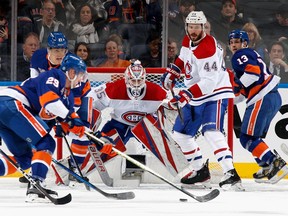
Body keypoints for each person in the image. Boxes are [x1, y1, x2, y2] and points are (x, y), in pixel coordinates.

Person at [0, 54, 114, 203]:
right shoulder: (55, 76)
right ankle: (37, 184)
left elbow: (74, 128)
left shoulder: (68, 98)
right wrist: (71, 118)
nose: (82, 79)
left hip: (8, 112)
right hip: (11, 103)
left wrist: (97, 140)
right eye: (80, 75)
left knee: (25, 159)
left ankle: (35, 185)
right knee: (46, 143)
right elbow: (50, 102)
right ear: (71, 72)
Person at [161, 11, 242, 190]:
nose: (194, 30)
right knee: (180, 134)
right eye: (191, 26)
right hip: (198, 94)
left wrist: (185, 94)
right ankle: (201, 171)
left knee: (210, 131)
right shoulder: (187, 39)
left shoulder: (208, 49)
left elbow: (208, 83)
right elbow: (183, 58)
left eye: (197, 27)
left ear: (203, 27)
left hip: (215, 93)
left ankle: (231, 174)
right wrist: (173, 71)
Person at [29, 31, 95, 186]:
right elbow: (35, 85)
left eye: (63, 50)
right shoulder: (38, 57)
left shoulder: (71, 64)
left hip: (79, 96)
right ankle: (33, 169)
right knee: (37, 131)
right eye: (56, 50)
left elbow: (74, 99)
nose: (60, 54)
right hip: (49, 97)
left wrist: (65, 119)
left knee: (82, 127)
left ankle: (74, 165)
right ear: (48, 50)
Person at [228, 29, 288, 183]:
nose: (234, 45)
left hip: (262, 97)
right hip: (271, 97)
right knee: (251, 137)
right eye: (232, 42)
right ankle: (266, 166)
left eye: (237, 41)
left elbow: (253, 73)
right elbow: (241, 94)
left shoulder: (240, 55)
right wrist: (229, 97)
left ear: (245, 43)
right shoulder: (249, 55)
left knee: (247, 137)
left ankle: (275, 162)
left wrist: (236, 86)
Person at [91, 59, 167, 146]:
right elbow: (92, 105)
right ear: (126, 79)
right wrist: (91, 131)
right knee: (101, 149)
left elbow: (168, 112)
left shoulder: (157, 92)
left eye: (140, 80)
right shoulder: (115, 89)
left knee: (160, 151)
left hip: (146, 128)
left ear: (145, 78)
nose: (136, 84)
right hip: (118, 125)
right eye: (133, 80)